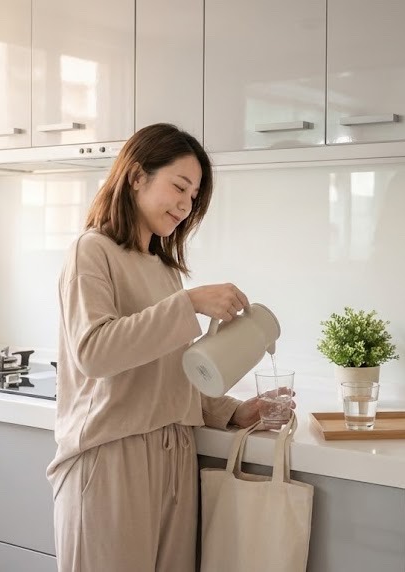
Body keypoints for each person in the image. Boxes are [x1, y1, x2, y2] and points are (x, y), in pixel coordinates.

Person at [46, 123, 288, 572]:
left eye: (193, 196)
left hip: (175, 455)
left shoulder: (165, 270)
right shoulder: (91, 251)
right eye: (179, 186)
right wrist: (188, 304)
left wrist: (232, 411)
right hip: (111, 459)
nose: (186, 204)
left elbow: (169, 368)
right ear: (137, 176)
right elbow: (94, 352)